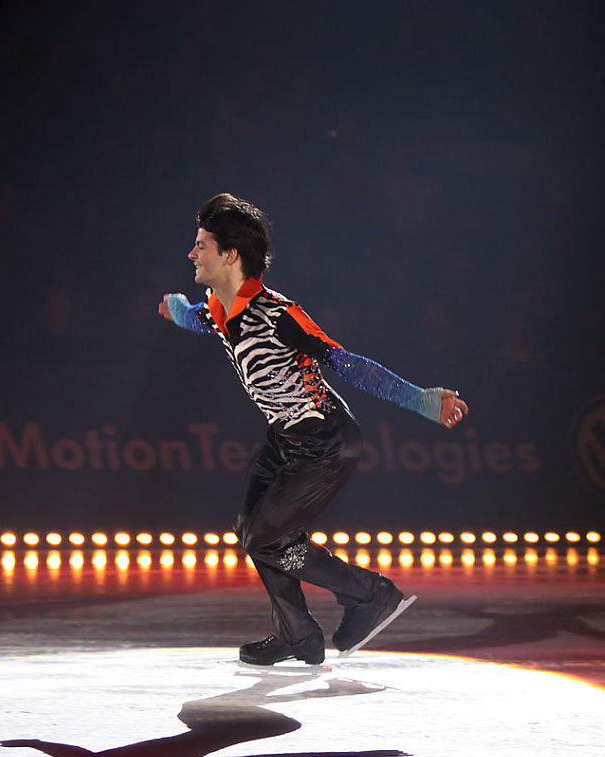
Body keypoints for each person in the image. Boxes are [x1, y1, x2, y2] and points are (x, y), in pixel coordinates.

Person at [158, 193, 468, 666]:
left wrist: (423, 400)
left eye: (201, 245)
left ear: (230, 255)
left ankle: (370, 594)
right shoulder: (220, 311)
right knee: (251, 529)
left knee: (267, 539)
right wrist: (177, 307)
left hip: (325, 443)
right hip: (284, 439)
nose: (192, 254)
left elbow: (347, 363)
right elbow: (200, 322)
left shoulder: (278, 313)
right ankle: (297, 634)